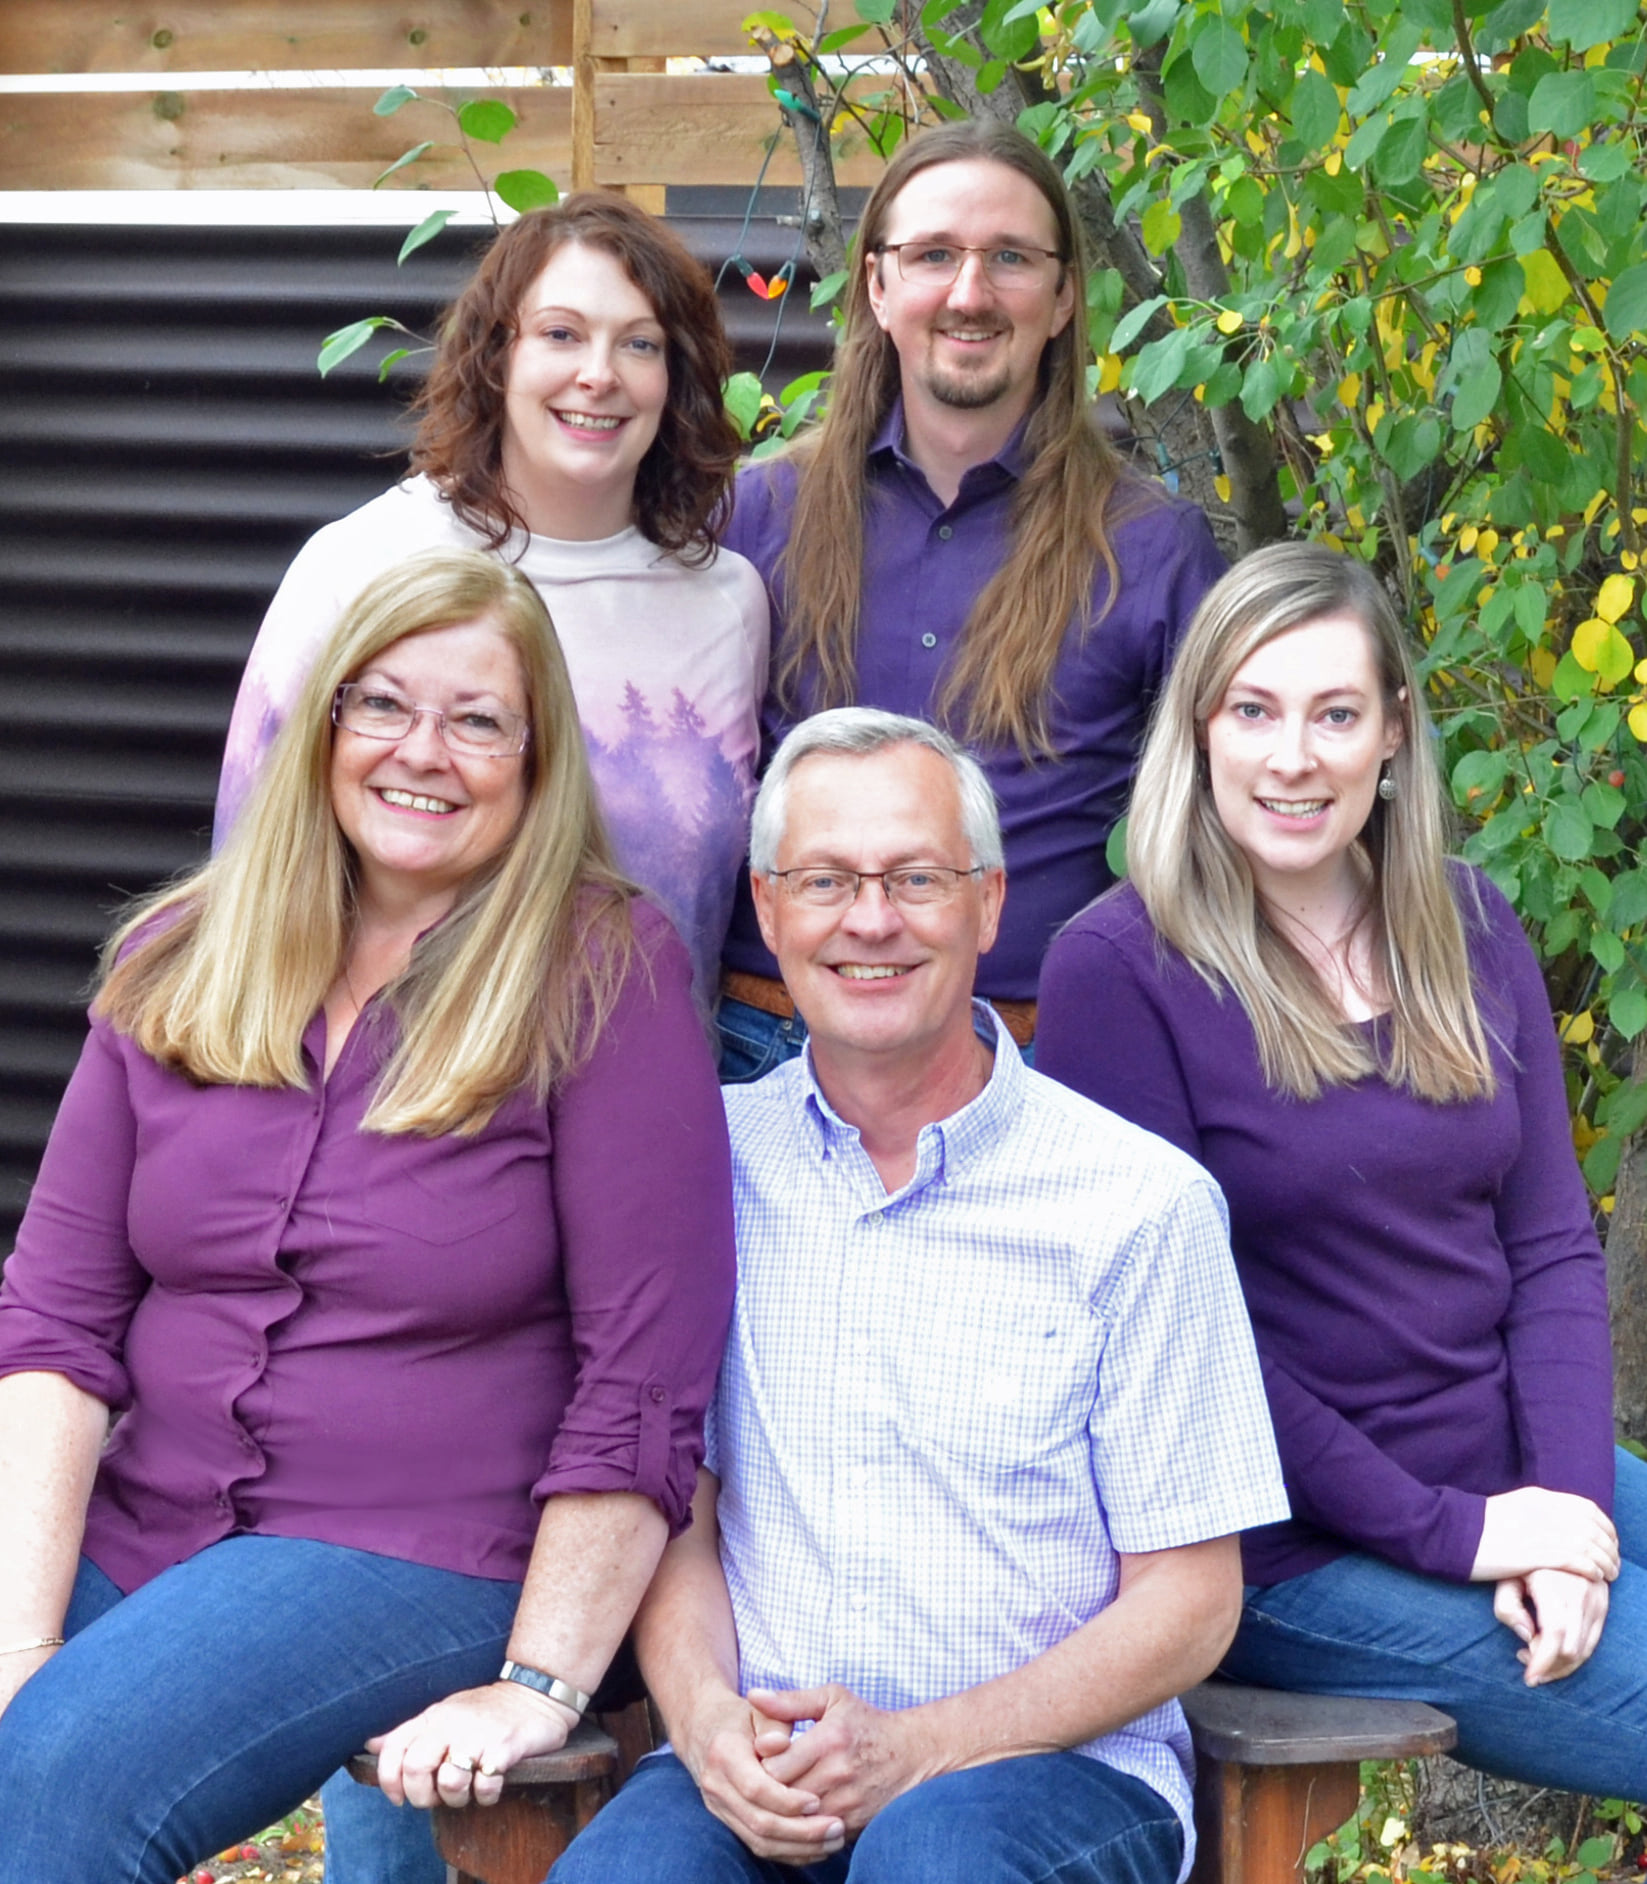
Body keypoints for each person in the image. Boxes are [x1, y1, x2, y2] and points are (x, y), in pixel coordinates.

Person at [0, 549, 736, 1884]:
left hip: (416, 1546)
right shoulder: (183, 955)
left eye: (479, 721)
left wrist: (542, 1680)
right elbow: (54, 1322)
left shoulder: (602, 969)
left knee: (59, 1787)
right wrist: (20, 1644)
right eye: (384, 705)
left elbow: (647, 1369)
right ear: (326, 725)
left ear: (536, 761)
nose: (423, 752)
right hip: (148, 1520)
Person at [552, 707, 1289, 1884]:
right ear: (768, 909)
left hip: (1049, 1773)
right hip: (761, 1761)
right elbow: (676, 1507)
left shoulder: (1139, 1206)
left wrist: (921, 1749)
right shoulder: (704, 1169)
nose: (871, 919)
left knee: (934, 1860)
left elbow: (1192, 1602)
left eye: (916, 878)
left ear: (989, 903)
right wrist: (703, 1723)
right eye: (826, 880)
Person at [1037, 542, 1647, 1795]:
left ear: (1394, 731)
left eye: (1334, 714)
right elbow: (1185, 1350)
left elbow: (1548, 1252)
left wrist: (1566, 1520)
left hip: (1502, 1466)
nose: (1293, 757)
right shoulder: (1119, 972)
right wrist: (1463, 1535)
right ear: (1199, 729)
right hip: (1281, 1548)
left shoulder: (1469, 924)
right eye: (1253, 711)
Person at [716, 121, 1227, 1076]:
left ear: (1065, 296)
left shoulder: (1154, 549)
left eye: (1010, 258)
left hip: (1035, 1061)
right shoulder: (754, 518)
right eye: (933, 255)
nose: (968, 292)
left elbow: (1220, 833)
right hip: (760, 1049)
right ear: (876, 284)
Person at [216, 193, 767, 1009]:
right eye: (560, 334)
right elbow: (252, 873)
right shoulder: (360, 564)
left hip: (656, 1074)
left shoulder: (727, 602)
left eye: (639, 343)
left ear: (674, 377)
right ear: (496, 356)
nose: (598, 374)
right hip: (395, 1080)